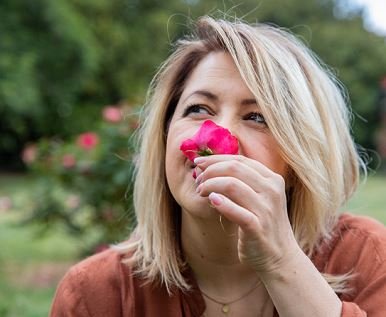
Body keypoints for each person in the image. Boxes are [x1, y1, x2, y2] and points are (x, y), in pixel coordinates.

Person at [50, 16, 386, 317]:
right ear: (165, 135)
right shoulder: (94, 295)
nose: (219, 135)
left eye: (257, 117)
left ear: (300, 160)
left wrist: (281, 263)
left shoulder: (367, 258)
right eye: (198, 109)